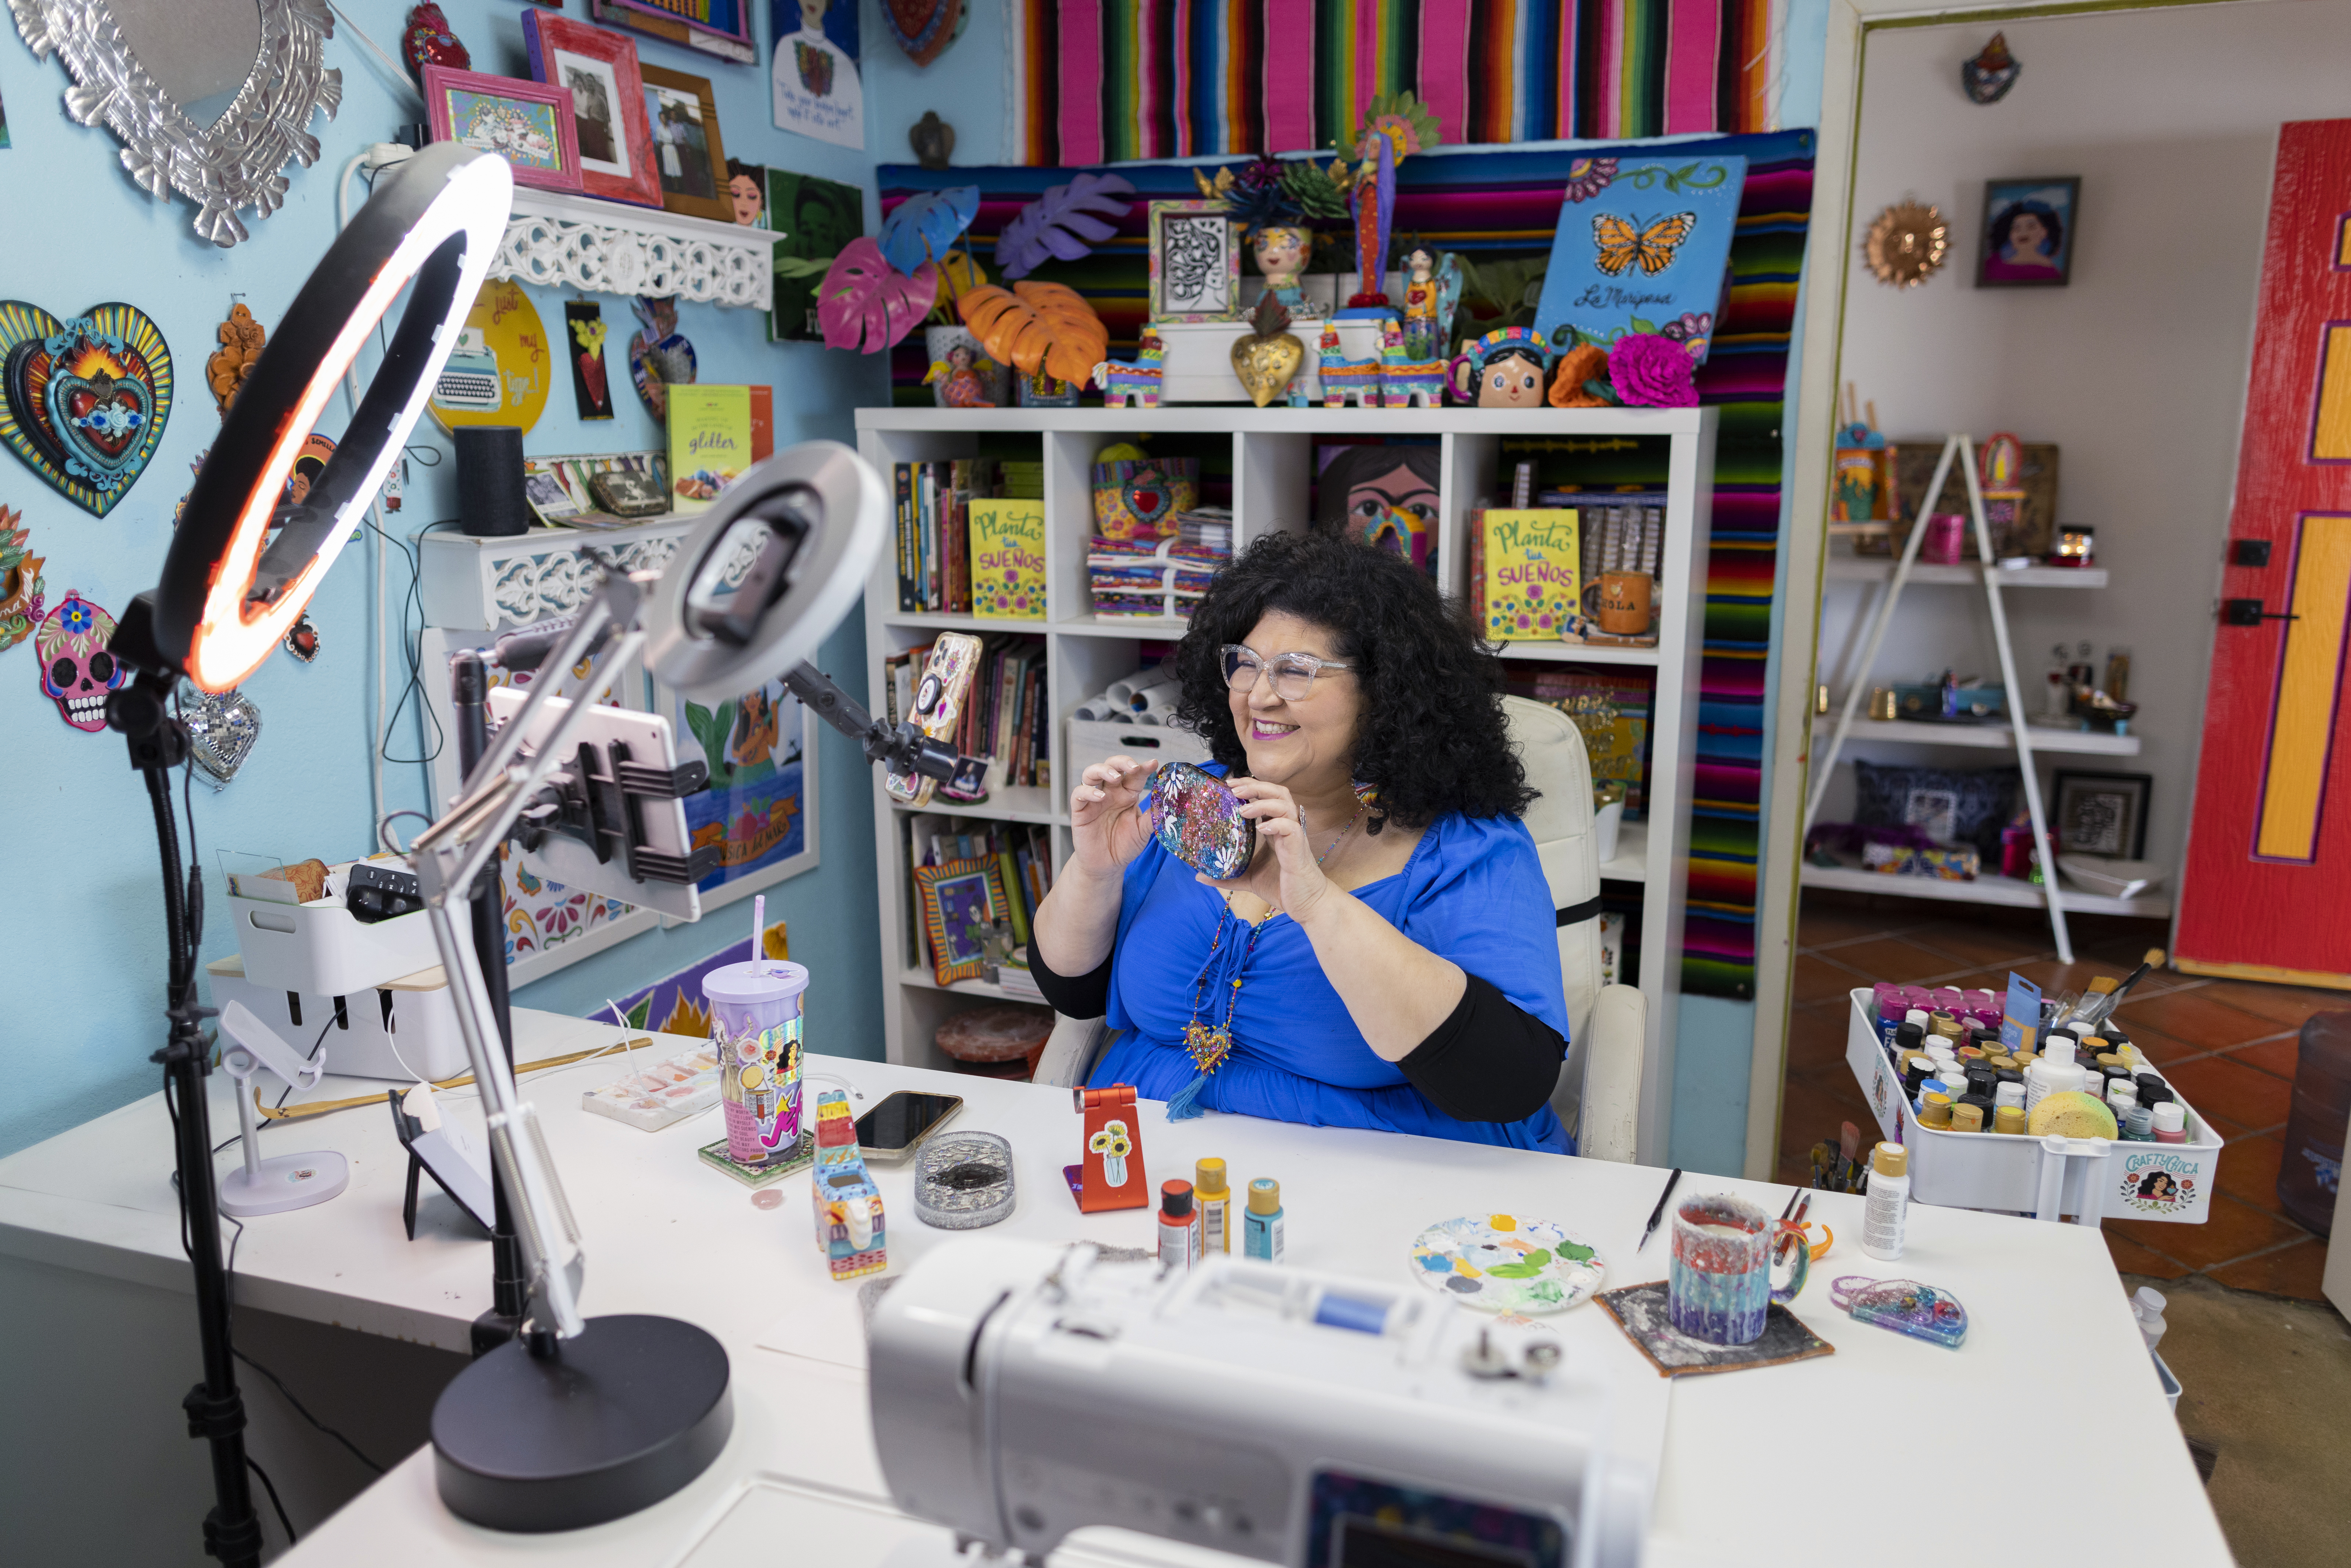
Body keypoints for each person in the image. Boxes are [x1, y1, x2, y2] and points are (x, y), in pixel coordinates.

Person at [1029, 531, 1573, 1151]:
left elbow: (1507, 1081)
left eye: (1296, 670)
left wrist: (1315, 902)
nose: (1259, 695)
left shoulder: (1467, 847)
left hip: (1374, 1173)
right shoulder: (1194, 802)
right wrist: (1094, 869)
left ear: (1383, 690)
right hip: (1151, 1155)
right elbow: (1074, 990)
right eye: (1246, 663)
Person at [1983, 200, 2064, 281]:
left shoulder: (2052, 274)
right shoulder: (1991, 264)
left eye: (2031, 227)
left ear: (2044, 232)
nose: (2023, 233)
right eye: (2016, 228)